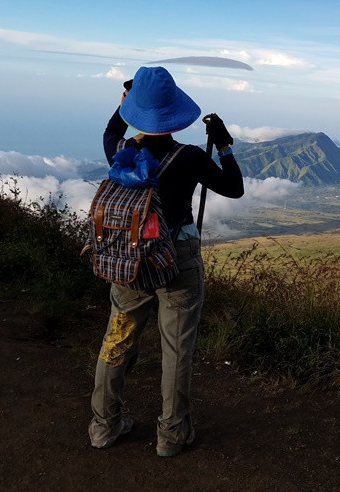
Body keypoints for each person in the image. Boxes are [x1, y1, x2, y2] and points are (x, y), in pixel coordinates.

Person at [88, 65, 244, 457]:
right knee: (176, 350)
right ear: (174, 112)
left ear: (135, 111)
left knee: (118, 339)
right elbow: (234, 188)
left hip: (129, 263)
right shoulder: (189, 157)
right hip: (177, 260)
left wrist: (124, 104)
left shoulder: (122, 152)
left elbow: (110, 131)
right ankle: (172, 436)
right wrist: (223, 145)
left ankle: (104, 426)